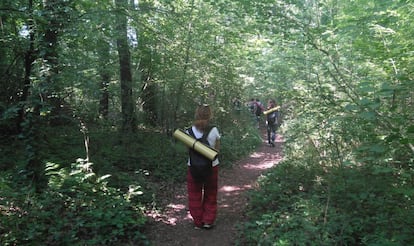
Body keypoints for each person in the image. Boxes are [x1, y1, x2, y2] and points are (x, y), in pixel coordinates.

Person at [186, 104, 221, 229]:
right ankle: (208, 221)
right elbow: (217, 150)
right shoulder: (214, 130)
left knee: (194, 193)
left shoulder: (188, 131)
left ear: (197, 114)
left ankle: (197, 222)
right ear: (209, 115)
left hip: (193, 167)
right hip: (212, 166)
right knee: (211, 193)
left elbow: (188, 150)